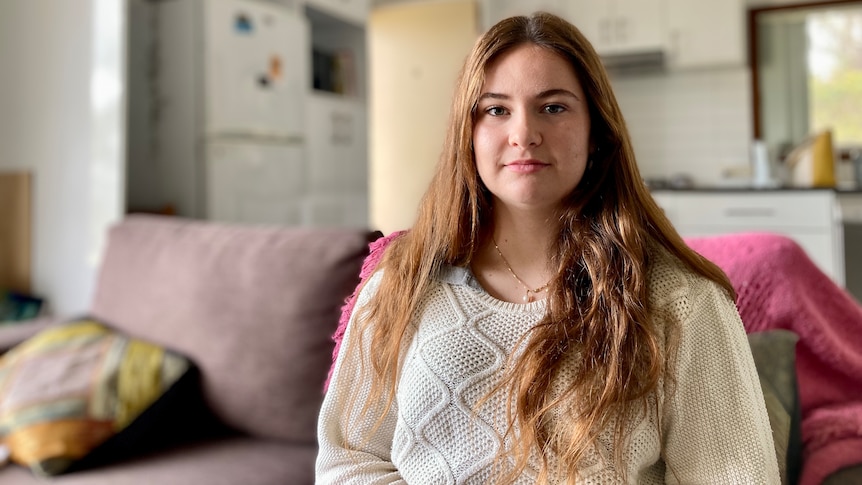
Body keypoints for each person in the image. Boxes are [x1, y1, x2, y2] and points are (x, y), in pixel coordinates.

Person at [317, 11, 780, 484]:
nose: (524, 134)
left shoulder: (683, 301)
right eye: (496, 110)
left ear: (596, 131)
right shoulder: (404, 280)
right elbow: (348, 462)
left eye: (553, 107)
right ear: (468, 135)